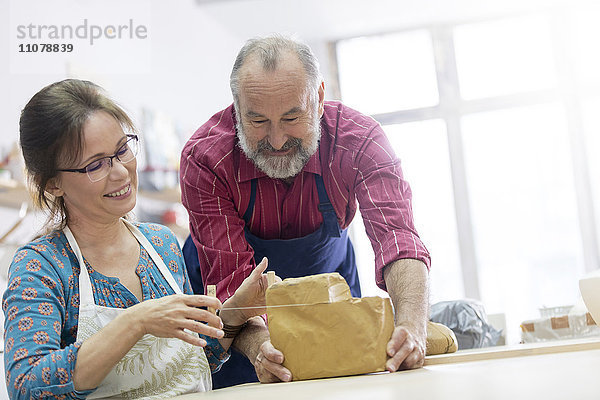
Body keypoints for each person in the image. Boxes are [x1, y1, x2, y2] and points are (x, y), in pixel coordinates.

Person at [180, 35, 431, 388]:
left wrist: (411, 325)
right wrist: (260, 350)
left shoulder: (359, 140)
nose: (278, 140)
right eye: (257, 122)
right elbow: (231, 284)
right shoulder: (206, 159)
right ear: (237, 107)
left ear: (319, 98)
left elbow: (398, 239)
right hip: (235, 317)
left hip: (327, 286)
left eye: (291, 117)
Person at [2, 79, 274, 400]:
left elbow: (197, 358)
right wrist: (135, 323)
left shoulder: (161, 244)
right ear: (52, 184)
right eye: (95, 165)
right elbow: (28, 387)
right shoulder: (42, 265)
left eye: (121, 150)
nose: (119, 172)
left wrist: (234, 313)